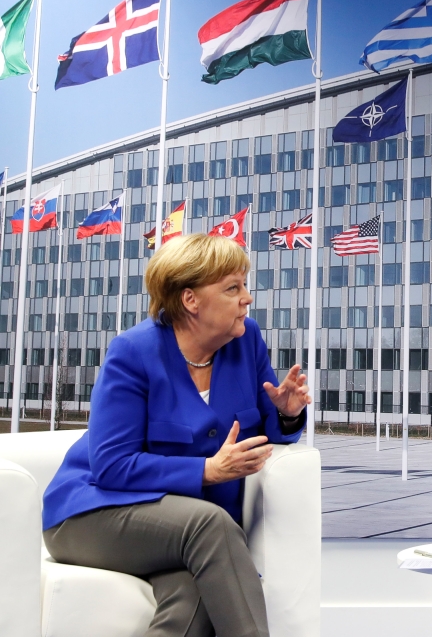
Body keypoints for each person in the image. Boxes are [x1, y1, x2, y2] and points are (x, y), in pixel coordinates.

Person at [42, 234, 311, 637]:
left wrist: (287, 414)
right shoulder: (132, 352)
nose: (247, 298)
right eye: (233, 288)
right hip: (92, 514)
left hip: (182, 532)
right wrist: (206, 470)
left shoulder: (246, 341)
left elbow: (267, 431)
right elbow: (111, 467)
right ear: (190, 300)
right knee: (211, 526)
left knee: (195, 595)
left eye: (244, 285)